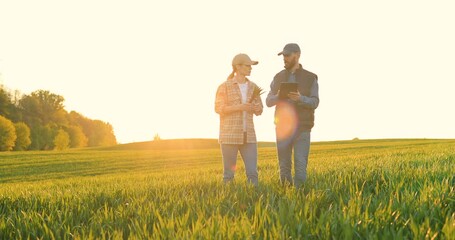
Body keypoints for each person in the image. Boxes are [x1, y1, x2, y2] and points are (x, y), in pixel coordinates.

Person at [266, 43, 319, 188]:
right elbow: (268, 101)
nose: (285, 58)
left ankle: (300, 200)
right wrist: (279, 96)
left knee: (300, 168)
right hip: (282, 128)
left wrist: (300, 99)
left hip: (302, 128)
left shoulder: (310, 77)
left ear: (297, 55)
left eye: (288, 55)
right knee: (284, 168)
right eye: (283, 55)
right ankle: (285, 199)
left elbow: (315, 102)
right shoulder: (278, 77)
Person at [215, 53, 264, 186]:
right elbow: (219, 108)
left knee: (253, 174)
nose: (250, 68)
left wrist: (255, 107)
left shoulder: (254, 87)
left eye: (251, 66)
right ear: (238, 66)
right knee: (228, 176)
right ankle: (228, 202)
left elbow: (260, 110)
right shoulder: (224, 86)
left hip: (249, 136)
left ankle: (254, 201)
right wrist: (240, 107)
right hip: (229, 136)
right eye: (248, 66)